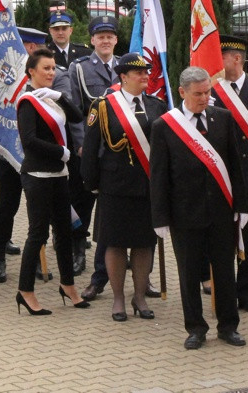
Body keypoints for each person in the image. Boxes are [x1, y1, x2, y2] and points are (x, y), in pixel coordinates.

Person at [151, 66, 248, 350]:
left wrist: (241, 205)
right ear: (182, 93)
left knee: (224, 271)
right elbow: (159, 175)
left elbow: (234, 165)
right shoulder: (165, 126)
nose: (204, 98)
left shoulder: (223, 119)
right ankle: (195, 328)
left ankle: (228, 326)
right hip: (185, 213)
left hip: (221, 211)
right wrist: (160, 216)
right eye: (198, 94)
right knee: (189, 273)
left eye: (207, 92)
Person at [81, 53, 167, 321]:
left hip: (147, 187)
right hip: (114, 186)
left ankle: (139, 296)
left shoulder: (157, 106)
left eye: (147, 72)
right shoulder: (104, 106)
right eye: (138, 73)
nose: (145, 77)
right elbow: (91, 148)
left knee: (144, 244)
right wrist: (92, 183)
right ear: (124, 76)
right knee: (115, 243)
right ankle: (118, 298)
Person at [0, 26, 68, 284]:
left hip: (40, 159)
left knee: (39, 216)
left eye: (33, 46)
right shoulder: (4, 75)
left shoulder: (48, 77)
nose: (29, 50)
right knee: (6, 207)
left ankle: (34, 262)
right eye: (26, 45)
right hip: (9, 152)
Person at [16, 47, 88, 315]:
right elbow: (29, 141)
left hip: (60, 175)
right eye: (45, 68)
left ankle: (68, 285)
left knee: (64, 232)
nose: (51, 72)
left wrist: (59, 95)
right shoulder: (27, 102)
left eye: (53, 67)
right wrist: (61, 152)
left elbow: (78, 116)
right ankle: (25, 291)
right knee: (38, 234)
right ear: (31, 71)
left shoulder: (51, 98)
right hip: (37, 175)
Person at [211, 35, 248, 314]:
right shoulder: (210, 91)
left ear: (236, 59)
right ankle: (222, 289)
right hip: (220, 176)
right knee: (221, 238)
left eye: (219, 58)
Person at [69, 15, 120, 285]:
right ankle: (78, 249)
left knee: (113, 207)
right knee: (82, 202)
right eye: (100, 36)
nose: (105, 41)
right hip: (89, 148)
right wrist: (80, 145)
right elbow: (75, 112)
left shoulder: (124, 66)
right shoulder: (79, 69)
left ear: (116, 40)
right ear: (92, 40)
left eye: (110, 36)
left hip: (117, 151)